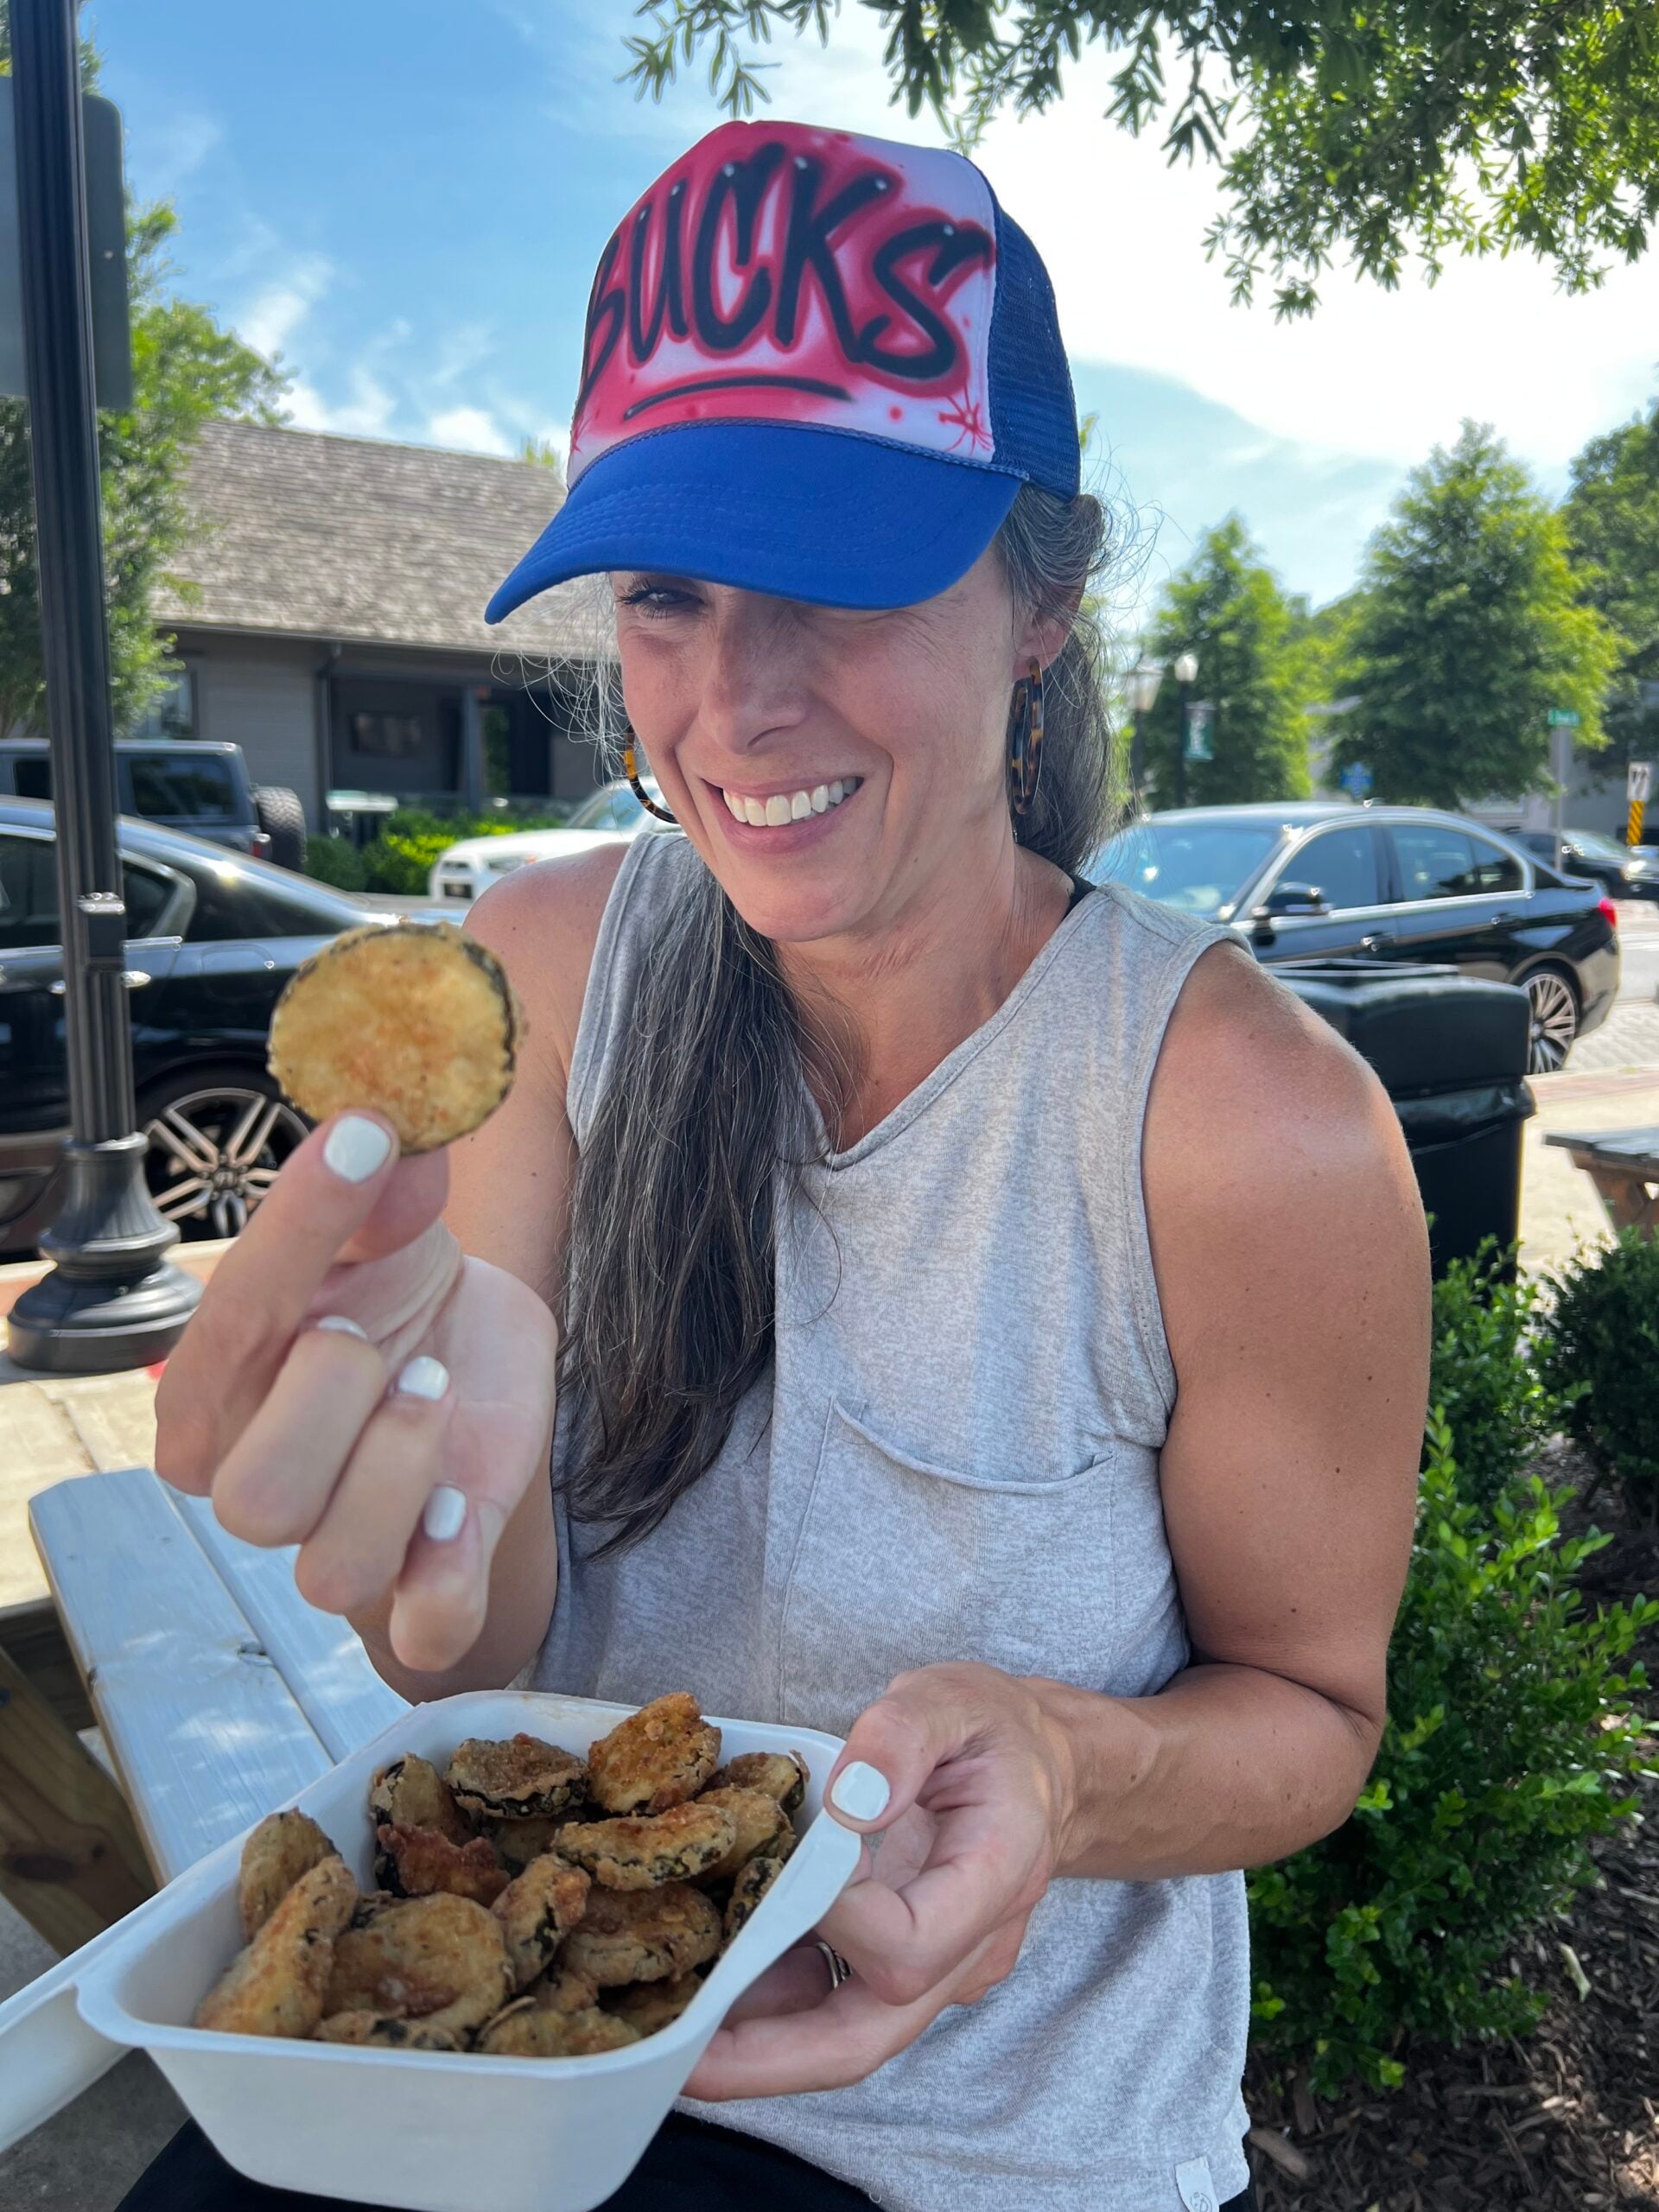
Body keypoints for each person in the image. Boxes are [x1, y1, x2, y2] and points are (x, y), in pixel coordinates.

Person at [129, 117, 1429, 2212]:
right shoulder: (550, 977)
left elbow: (1312, 1708)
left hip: (990, 2147)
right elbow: (489, 1670)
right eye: (665, 592)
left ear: (1044, 596)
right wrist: (436, 1522)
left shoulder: (1239, 1120)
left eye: (838, 568)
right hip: (545, 2072)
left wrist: (1073, 1760)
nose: (730, 702)